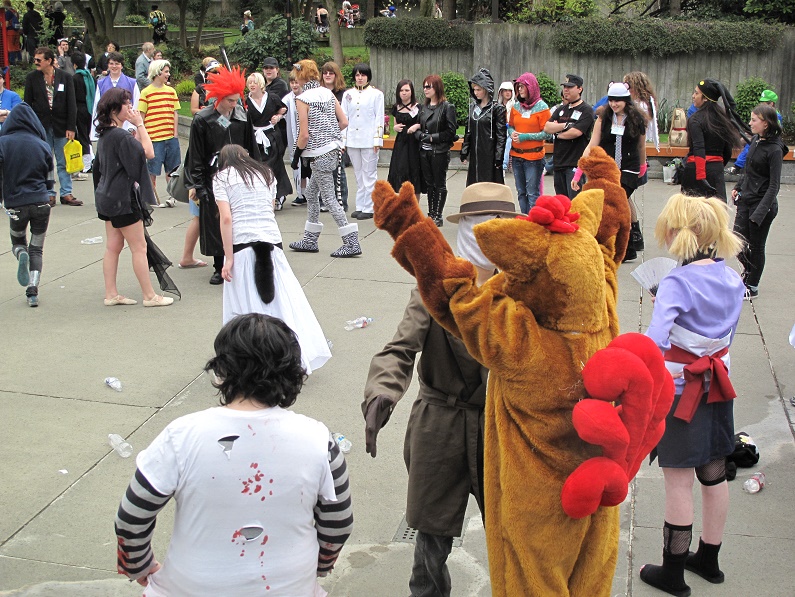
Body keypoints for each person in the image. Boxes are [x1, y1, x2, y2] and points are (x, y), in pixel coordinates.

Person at [115, 313, 353, 594]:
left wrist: (139, 565)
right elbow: (338, 523)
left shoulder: (182, 435)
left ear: (222, 369)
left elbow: (132, 516)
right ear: (292, 371)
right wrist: (318, 566)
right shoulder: (319, 440)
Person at [363, 183, 514, 597]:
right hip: (441, 424)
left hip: (500, 425)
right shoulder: (435, 287)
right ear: (464, 228)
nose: (491, 234)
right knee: (430, 539)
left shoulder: (520, 290)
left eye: (502, 224)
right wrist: (381, 393)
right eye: (482, 224)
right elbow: (400, 347)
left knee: (513, 531)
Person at [640, 193, 745, 597]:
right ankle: (709, 559)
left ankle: (672, 573)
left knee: (679, 483)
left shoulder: (675, 283)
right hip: (719, 388)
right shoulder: (732, 278)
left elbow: (655, 343)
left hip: (682, 393)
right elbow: (725, 335)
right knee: (714, 473)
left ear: (677, 233)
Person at [214, 144, 331, 373]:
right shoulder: (266, 173)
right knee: (283, 301)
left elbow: (226, 218)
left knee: (245, 305)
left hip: (242, 246)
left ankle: (247, 360)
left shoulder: (222, 177)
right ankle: (289, 354)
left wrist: (227, 258)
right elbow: (270, 209)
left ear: (224, 161)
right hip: (272, 244)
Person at [93, 87, 177, 307]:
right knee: (139, 247)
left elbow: (133, 151)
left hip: (107, 196)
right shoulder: (120, 135)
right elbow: (149, 152)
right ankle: (149, 295)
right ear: (114, 109)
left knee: (113, 246)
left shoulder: (106, 134)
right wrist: (140, 123)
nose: (131, 107)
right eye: (126, 103)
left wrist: (136, 127)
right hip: (122, 198)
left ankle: (111, 293)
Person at [186, 66, 261, 285]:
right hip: (213, 176)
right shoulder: (203, 119)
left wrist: (257, 173)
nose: (234, 104)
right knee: (216, 221)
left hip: (240, 174)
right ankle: (219, 265)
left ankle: (241, 259)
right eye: (230, 100)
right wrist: (198, 185)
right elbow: (195, 156)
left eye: (237, 100)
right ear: (219, 98)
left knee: (240, 218)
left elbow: (252, 147)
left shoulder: (242, 117)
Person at [288, 59, 361, 257]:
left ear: (301, 76)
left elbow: (304, 134)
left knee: (329, 198)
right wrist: (329, 135)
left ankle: (351, 242)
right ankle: (310, 239)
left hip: (319, 154)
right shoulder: (327, 93)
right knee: (312, 194)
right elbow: (344, 121)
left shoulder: (302, 99)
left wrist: (296, 155)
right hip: (332, 150)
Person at [573, 82, 646, 260]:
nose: (614, 104)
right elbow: (592, 145)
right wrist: (579, 171)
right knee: (615, 206)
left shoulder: (636, 119)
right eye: (611, 100)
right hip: (608, 169)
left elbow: (641, 146)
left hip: (629, 169)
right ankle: (625, 244)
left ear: (626, 101)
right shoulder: (603, 118)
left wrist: (643, 166)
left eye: (618, 101)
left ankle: (626, 245)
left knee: (619, 202)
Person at [0, 102, 54, 307]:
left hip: (15, 204)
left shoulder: (3, 143)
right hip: (41, 203)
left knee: (17, 241)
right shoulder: (43, 145)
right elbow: (50, 180)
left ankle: (20, 253)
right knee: (37, 248)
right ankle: (32, 290)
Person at [731, 104, 788, 300]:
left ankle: (752, 285)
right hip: (746, 200)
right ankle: (749, 271)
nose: (750, 123)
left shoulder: (775, 150)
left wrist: (760, 212)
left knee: (756, 247)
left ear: (766, 123)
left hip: (762, 205)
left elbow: (774, 185)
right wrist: (738, 186)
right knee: (736, 242)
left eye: (754, 120)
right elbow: (748, 169)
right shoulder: (755, 140)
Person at [24, 46, 80, 206]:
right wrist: (30, 127)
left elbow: (72, 104)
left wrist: (71, 127)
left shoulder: (65, 77)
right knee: (46, 160)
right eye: (35, 59)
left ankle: (66, 193)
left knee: (63, 160)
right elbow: (27, 104)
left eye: (38, 60)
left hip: (62, 125)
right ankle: (48, 193)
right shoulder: (32, 78)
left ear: (49, 61)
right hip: (41, 126)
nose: (35, 62)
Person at [680, 78, 744, 203]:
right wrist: (717, 167)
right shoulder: (723, 118)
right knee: (716, 210)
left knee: (691, 210)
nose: (693, 96)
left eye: (696, 93)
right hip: (716, 170)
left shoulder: (695, 119)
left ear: (705, 98)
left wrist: (701, 176)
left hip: (696, 171)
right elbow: (727, 149)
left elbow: (698, 148)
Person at [412, 74, 456, 226]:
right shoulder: (423, 108)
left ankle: (438, 214)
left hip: (439, 151)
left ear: (437, 88)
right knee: (429, 183)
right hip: (424, 151)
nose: (425, 89)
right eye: (424, 87)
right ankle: (431, 213)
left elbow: (451, 132)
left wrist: (431, 138)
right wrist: (420, 135)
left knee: (439, 183)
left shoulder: (447, 107)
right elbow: (418, 126)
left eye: (428, 87)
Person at [341, 63, 384, 220]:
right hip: (353, 139)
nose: (360, 78)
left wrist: (377, 139)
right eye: (357, 75)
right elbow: (344, 117)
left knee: (369, 174)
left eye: (363, 75)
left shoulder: (376, 94)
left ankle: (370, 206)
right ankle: (360, 205)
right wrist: (343, 140)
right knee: (358, 174)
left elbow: (379, 117)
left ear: (368, 77)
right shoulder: (348, 94)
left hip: (369, 140)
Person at [543, 74, 594, 199]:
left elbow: (576, 132)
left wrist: (557, 133)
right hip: (559, 163)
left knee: (575, 202)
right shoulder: (561, 109)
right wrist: (566, 125)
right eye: (565, 87)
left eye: (570, 87)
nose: (566, 90)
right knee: (561, 202)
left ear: (579, 89)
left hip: (575, 164)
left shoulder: (586, 110)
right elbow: (547, 127)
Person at [245, 72, 292, 207]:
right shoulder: (245, 101)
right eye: (250, 82)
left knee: (275, 165)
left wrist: (278, 117)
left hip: (272, 135)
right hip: (255, 137)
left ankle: (279, 195)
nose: (252, 85)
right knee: (258, 167)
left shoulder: (272, 97)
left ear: (260, 83)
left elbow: (283, 108)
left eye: (254, 82)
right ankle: (262, 195)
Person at [507, 72, 550, 214]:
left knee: (532, 193)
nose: (519, 90)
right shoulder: (516, 107)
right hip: (516, 156)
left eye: (522, 87)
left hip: (533, 158)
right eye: (518, 87)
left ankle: (533, 221)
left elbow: (547, 133)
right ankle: (524, 219)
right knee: (521, 192)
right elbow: (511, 126)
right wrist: (511, 133)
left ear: (531, 87)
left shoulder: (542, 108)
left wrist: (525, 137)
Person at [139, 59, 180, 208]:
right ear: (157, 72)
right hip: (154, 138)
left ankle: (172, 196)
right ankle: (151, 197)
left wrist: (175, 133)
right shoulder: (146, 92)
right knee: (152, 170)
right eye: (166, 71)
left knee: (172, 169)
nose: (168, 74)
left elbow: (175, 113)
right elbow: (142, 116)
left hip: (170, 137)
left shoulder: (171, 91)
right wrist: (142, 136)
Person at [460, 68, 506, 186]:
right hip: (475, 154)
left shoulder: (497, 109)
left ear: (486, 89)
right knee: (474, 184)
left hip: (490, 153)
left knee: (490, 185)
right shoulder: (472, 107)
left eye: (478, 89)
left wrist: (499, 156)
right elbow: (468, 131)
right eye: (474, 89)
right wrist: (464, 151)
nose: (476, 92)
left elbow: (501, 135)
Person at [90, 51, 140, 140]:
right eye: (111, 63)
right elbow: (97, 107)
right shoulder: (101, 84)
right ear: (108, 65)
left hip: (127, 126)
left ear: (122, 65)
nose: (114, 66)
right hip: (107, 126)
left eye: (117, 64)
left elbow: (136, 105)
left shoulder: (132, 83)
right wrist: (96, 128)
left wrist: (133, 126)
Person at [730, 89, 783, 174]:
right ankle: (738, 166)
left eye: (764, 103)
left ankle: (737, 167)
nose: (761, 104)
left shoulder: (775, 116)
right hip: (759, 138)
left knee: (750, 146)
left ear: (771, 104)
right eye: (761, 102)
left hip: (767, 141)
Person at [386, 78, 422, 198]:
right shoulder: (396, 107)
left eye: (407, 90)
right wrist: (395, 127)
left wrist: (417, 126)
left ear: (412, 92)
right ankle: (400, 204)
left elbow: (423, 123)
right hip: (401, 144)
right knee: (399, 170)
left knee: (414, 172)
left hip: (414, 144)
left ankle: (415, 205)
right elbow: (395, 124)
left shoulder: (418, 107)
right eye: (401, 90)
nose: (404, 93)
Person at [321, 61, 349, 212]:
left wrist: (341, 139)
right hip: (321, 137)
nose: (327, 75)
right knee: (322, 171)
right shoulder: (318, 93)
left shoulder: (344, 94)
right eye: (325, 73)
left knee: (339, 170)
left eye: (331, 73)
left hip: (338, 136)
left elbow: (346, 119)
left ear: (336, 75)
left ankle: (341, 201)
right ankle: (324, 200)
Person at [283, 73, 308, 209]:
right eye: (292, 82)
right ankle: (301, 194)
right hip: (294, 138)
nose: (294, 85)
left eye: (297, 82)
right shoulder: (288, 99)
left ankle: (312, 193)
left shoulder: (308, 97)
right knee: (297, 166)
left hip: (307, 136)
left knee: (308, 166)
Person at [70, 50, 94, 178]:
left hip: (78, 109)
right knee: (87, 134)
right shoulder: (89, 76)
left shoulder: (74, 78)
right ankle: (90, 160)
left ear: (74, 64)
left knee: (82, 135)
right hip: (90, 108)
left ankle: (86, 164)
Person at [496, 81, 514, 171]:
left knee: (508, 140)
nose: (507, 93)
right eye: (505, 90)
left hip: (511, 130)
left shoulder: (515, 106)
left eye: (509, 91)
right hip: (499, 130)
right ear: (501, 92)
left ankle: (503, 166)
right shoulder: (497, 106)